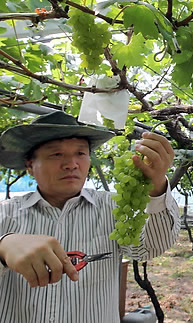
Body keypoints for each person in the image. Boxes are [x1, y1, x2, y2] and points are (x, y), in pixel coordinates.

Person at [0, 111, 180, 323]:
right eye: (56, 154)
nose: (71, 164)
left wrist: (157, 187)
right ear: (30, 165)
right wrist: (2, 248)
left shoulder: (113, 207)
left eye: (80, 154)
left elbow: (149, 248)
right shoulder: (5, 214)